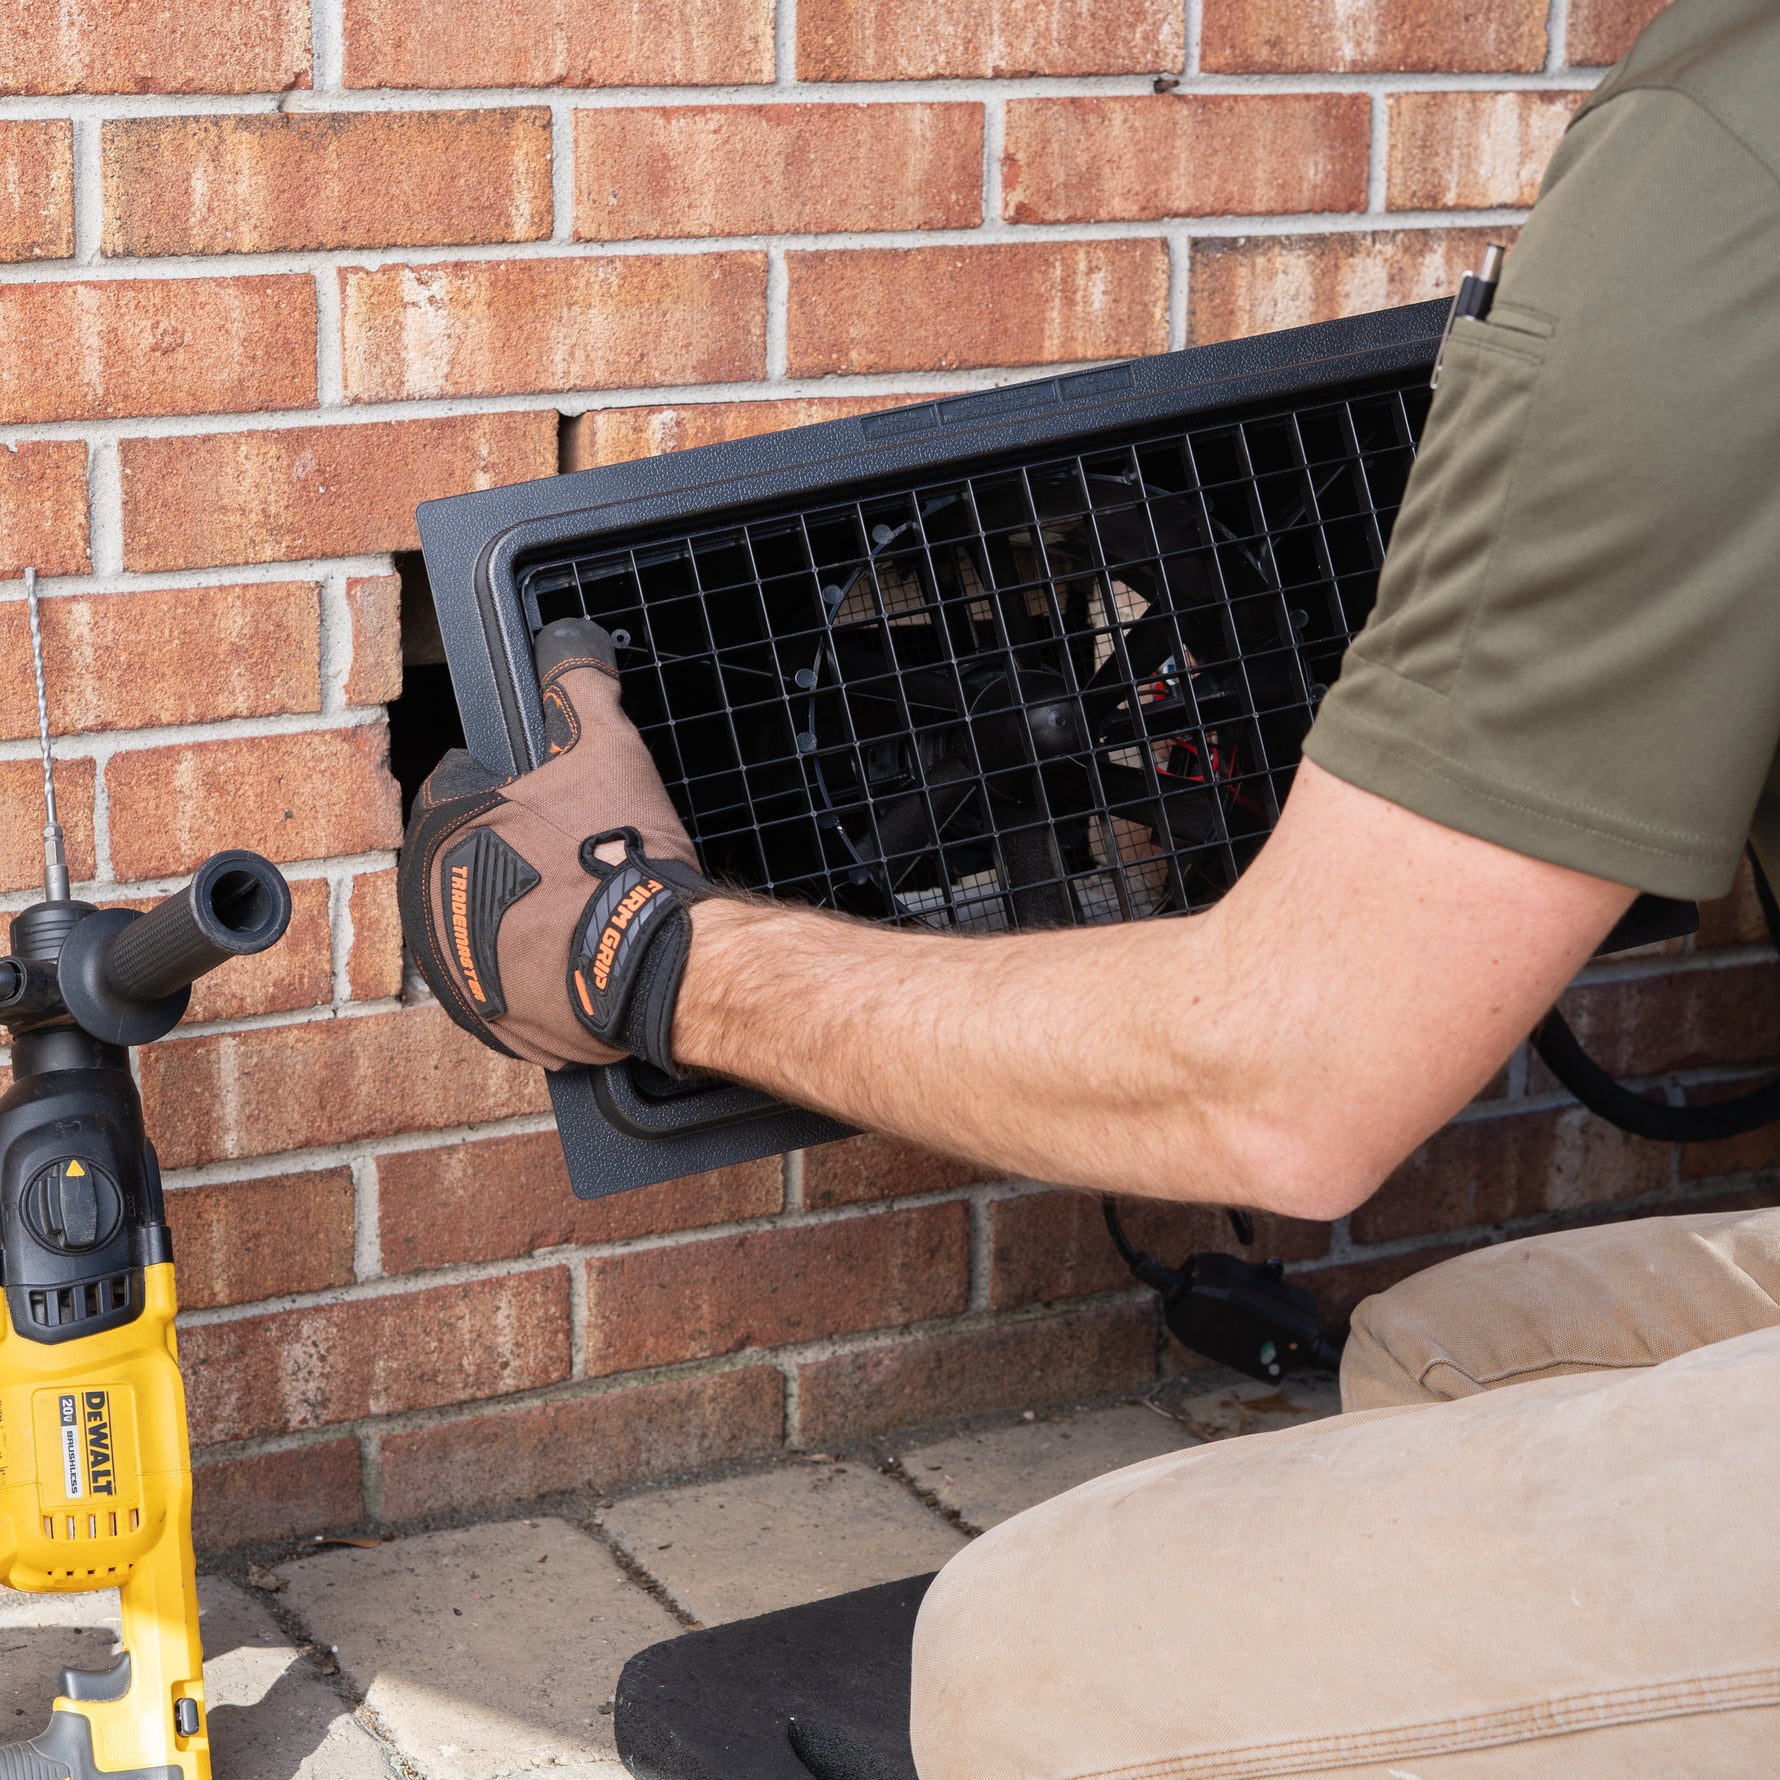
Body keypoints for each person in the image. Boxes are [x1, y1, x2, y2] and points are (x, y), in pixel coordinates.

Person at [398, 1, 1780, 1769]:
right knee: (1460, 1345)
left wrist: (636, 951)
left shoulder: (1721, 146)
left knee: (1029, 1646)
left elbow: (1289, 1086)